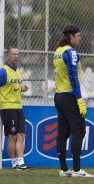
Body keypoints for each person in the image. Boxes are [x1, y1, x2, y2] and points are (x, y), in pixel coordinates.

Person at [53, 25, 93, 177]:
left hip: (58, 95)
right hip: (70, 96)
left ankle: (64, 170)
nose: (80, 38)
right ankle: (77, 170)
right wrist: (79, 100)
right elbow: (73, 77)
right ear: (71, 37)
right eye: (79, 36)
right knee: (79, 130)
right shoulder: (71, 53)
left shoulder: (57, 51)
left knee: (63, 132)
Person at [0, 46, 31, 170]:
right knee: (12, 136)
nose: (16, 56)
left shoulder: (18, 71)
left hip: (18, 107)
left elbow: (13, 87)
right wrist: (2, 98)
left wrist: (21, 88)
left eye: (18, 54)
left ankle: (21, 162)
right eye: (13, 54)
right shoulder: (3, 71)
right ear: (8, 55)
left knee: (21, 134)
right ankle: (14, 163)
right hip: (8, 108)